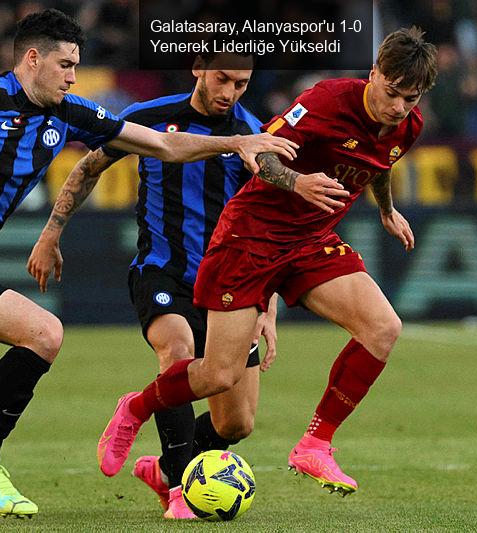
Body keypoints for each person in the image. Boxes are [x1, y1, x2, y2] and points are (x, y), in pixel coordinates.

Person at [0, 8, 296, 523]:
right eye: (65, 64)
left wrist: (237, 141)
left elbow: (163, 144)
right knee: (44, 333)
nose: (72, 75)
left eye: (77, 65)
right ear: (33, 58)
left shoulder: (70, 113)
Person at [96, 26, 437, 496]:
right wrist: (298, 183)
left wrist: (386, 208)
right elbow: (262, 155)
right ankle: (135, 408)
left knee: (383, 328)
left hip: (310, 239)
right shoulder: (325, 101)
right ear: (373, 73)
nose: (398, 106)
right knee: (218, 374)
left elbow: (380, 163)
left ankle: (315, 444)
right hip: (251, 236)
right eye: (392, 92)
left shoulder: (408, 126)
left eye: (411, 98)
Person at [27, 50, 278, 520]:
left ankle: (162, 469)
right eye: (222, 78)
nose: (229, 93)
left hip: (228, 284)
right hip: (162, 271)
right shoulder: (148, 117)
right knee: (177, 352)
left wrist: (267, 306)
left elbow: (268, 228)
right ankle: (182, 488)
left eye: (241, 83)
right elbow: (88, 169)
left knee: (236, 423)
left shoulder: (253, 134)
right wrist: (51, 231)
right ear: (198, 68)